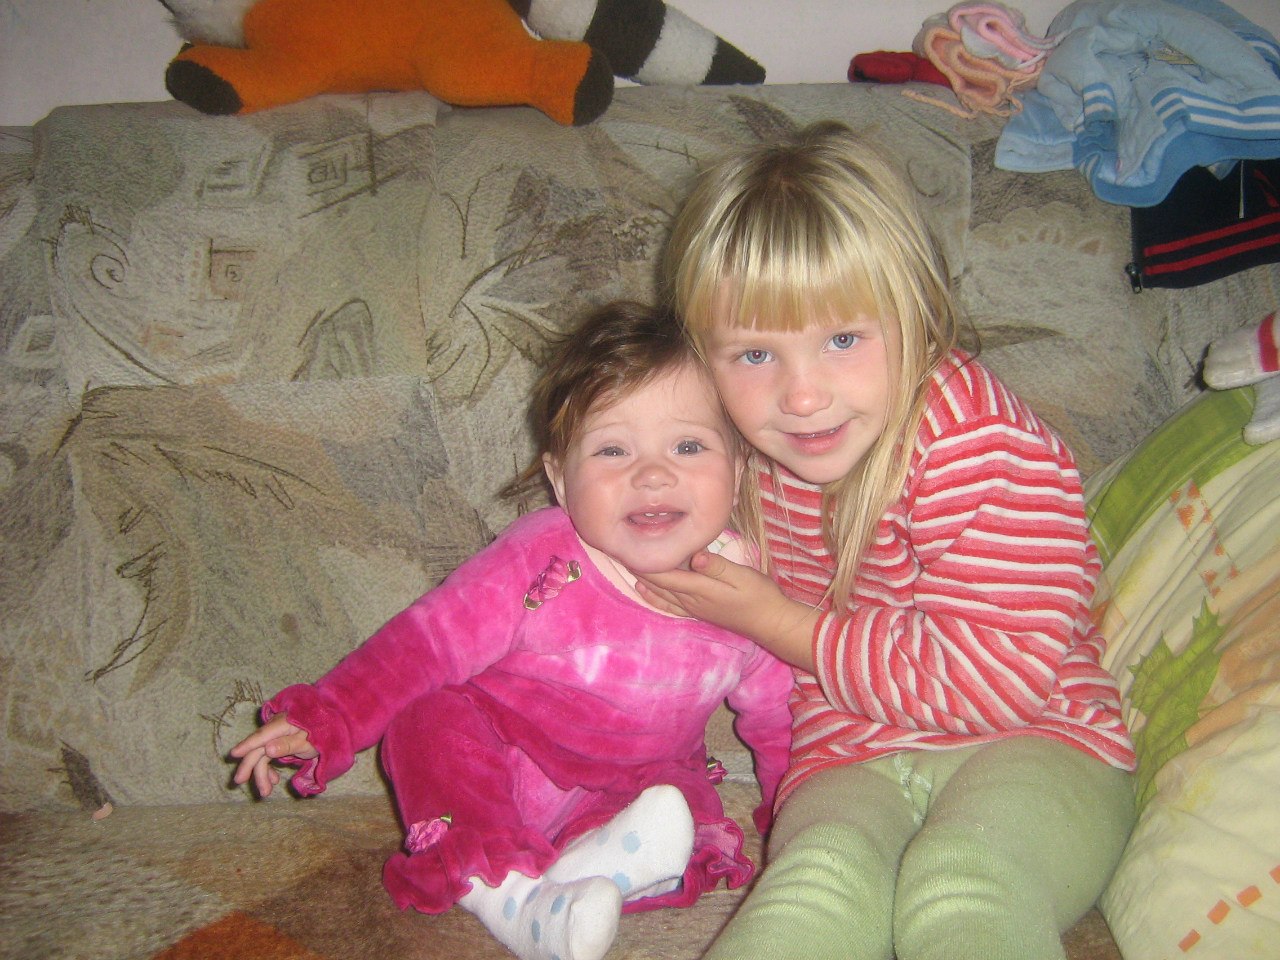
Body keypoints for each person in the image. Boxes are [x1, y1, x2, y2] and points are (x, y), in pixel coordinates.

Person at [638, 121, 1137, 960]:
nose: (802, 396)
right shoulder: (739, 448)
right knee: (814, 880)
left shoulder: (975, 440)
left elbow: (996, 682)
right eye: (755, 353)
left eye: (842, 339)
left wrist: (779, 623)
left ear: (916, 313)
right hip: (848, 750)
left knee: (965, 877)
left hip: (1037, 739)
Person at [229, 300, 794, 960]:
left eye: (688, 446)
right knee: (431, 719)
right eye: (612, 449)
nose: (651, 473)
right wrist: (332, 716)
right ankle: (502, 888)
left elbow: (781, 723)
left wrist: (799, 825)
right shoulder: (541, 558)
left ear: (739, 470)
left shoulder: (748, 597)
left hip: (633, 787)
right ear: (560, 477)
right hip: (498, 769)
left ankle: (587, 877)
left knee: (675, 809)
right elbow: (427, 643)